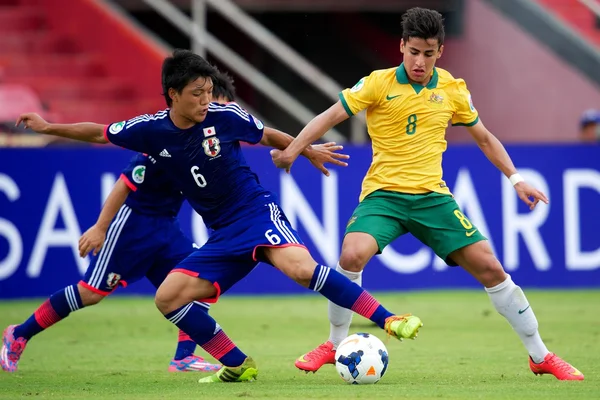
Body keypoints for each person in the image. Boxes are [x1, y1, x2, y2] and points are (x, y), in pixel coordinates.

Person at [12, 49, 424, 384]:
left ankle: (389, 319)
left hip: (254, 211)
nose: (206, 100)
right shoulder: (150, 131)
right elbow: (98, 132)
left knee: (300, 269)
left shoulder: (225, 118)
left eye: (209, 91)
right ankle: (238, 362)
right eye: (197, 93)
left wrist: (303, 148)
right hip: (221, 233)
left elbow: (267, 136)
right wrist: (49, 127)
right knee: (167, 297)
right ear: (172, 94)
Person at [271, 7, 583, 381]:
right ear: (402, 46)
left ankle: (541, 356)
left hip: (434, 199)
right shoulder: (377, 83)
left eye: (429, 53)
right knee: (351, 254)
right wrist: (295, 149)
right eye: (413, 51)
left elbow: (484, 137)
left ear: (440, 52)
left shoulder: (452, 89)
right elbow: (329, 116)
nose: (420, 61)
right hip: (384, 196)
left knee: (491, 268)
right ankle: (335, 344)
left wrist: (516, 179)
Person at [0, 69, 241, 374]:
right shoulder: (161, 137)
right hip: (134, 226)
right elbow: (125, 182)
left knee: (199, 283)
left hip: (167, 227)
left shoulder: (207, 141)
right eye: (205, 101)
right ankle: (19, 333)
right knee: (90, 292)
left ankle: (183, 357)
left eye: (216, 105)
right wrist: (101, 227)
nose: (211, 112)